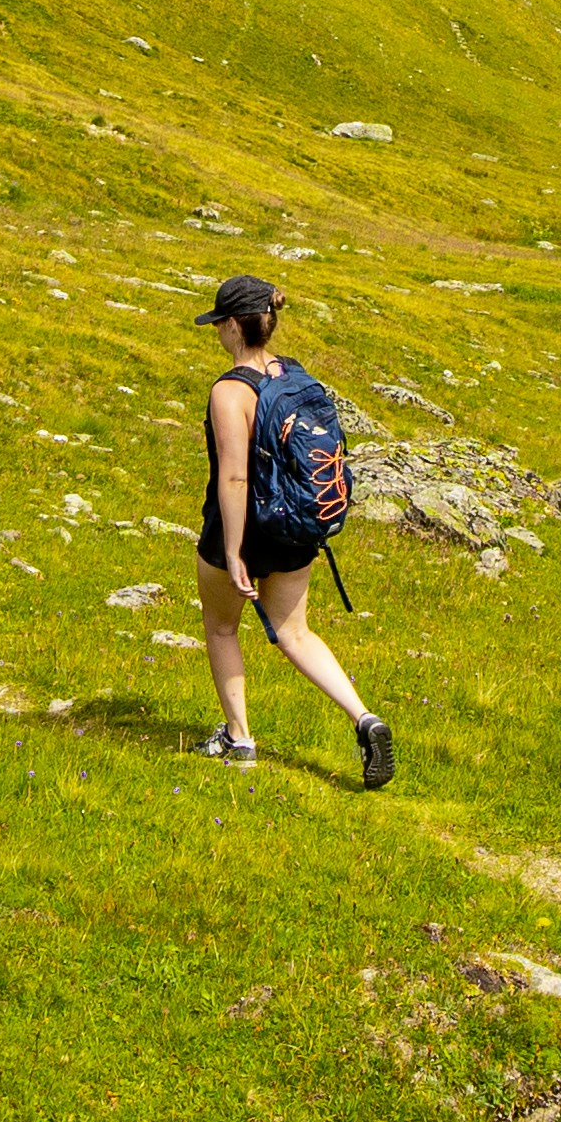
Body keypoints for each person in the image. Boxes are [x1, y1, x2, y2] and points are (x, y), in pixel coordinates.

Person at [189, 274, 394, 789]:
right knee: (295, 632)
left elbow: (235, 478)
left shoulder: (230, 390)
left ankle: (239, 738)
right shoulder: (293, 375)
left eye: (218, 323)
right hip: (294, 523)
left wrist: (232, 551)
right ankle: (364, 717)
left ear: (232, 325)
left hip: (241, 526)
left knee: (221, 628)